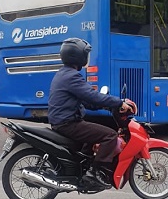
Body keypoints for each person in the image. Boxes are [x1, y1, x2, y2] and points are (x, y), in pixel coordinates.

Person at [48, 38, 134, 188]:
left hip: (64, 121)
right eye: (85, 54)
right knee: (110, 135)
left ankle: (84, 168)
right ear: (78, 56)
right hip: (68, 123)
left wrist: (107, 106)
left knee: (94, 132)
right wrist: (119, 102)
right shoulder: (72, 76)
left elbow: (87, 101)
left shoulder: (64, 74)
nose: (87, 58)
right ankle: (96, 173)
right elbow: (92, 96)